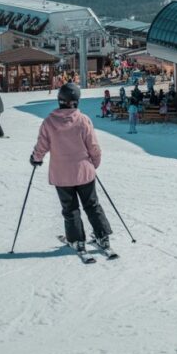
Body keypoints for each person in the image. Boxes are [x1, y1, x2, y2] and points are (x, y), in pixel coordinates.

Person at [30, 82, 113, 253]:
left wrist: (35, 158)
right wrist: (93, 165)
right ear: (76, 101)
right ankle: (103, 236)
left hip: (62, 175)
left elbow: (42, 145)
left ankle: (77, 240)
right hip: (84, 171)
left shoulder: (49, 122)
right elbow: (94, 147)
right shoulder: (83, 120)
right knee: (92, 205)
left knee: (70, 208)